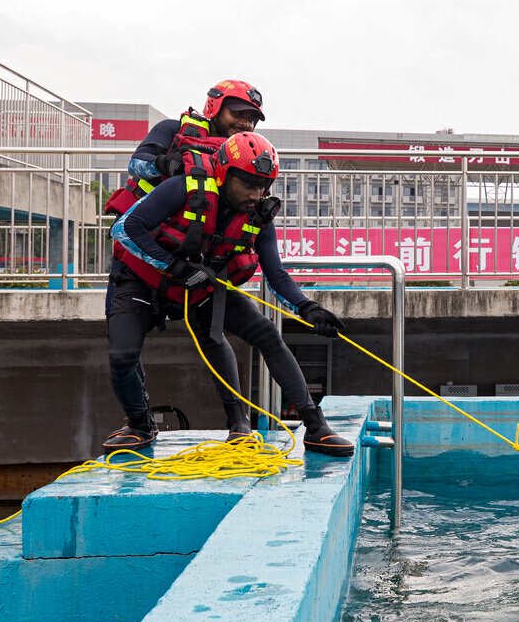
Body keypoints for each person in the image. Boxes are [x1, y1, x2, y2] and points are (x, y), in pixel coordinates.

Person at [103, 130, 354, 457]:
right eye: (248, 184)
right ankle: (139, 424)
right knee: (122, 356)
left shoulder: (257, 217)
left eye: (264, 186)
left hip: (200, 287)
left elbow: (275, 273)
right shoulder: (183, 188)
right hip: (142, 279)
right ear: (224, 173)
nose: (256, 193)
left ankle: (312, 426)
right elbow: (125, 229)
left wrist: (307, 308)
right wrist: (175, 268)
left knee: (266, 333)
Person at [104, 79, 266, 216]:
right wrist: (167, 164)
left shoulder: (242, 154)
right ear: (214, 107)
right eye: (237, 114)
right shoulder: (172, 129)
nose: (245, 124)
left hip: (192, 230)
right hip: (145, 221)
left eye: (251, 120)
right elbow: (135, 165)